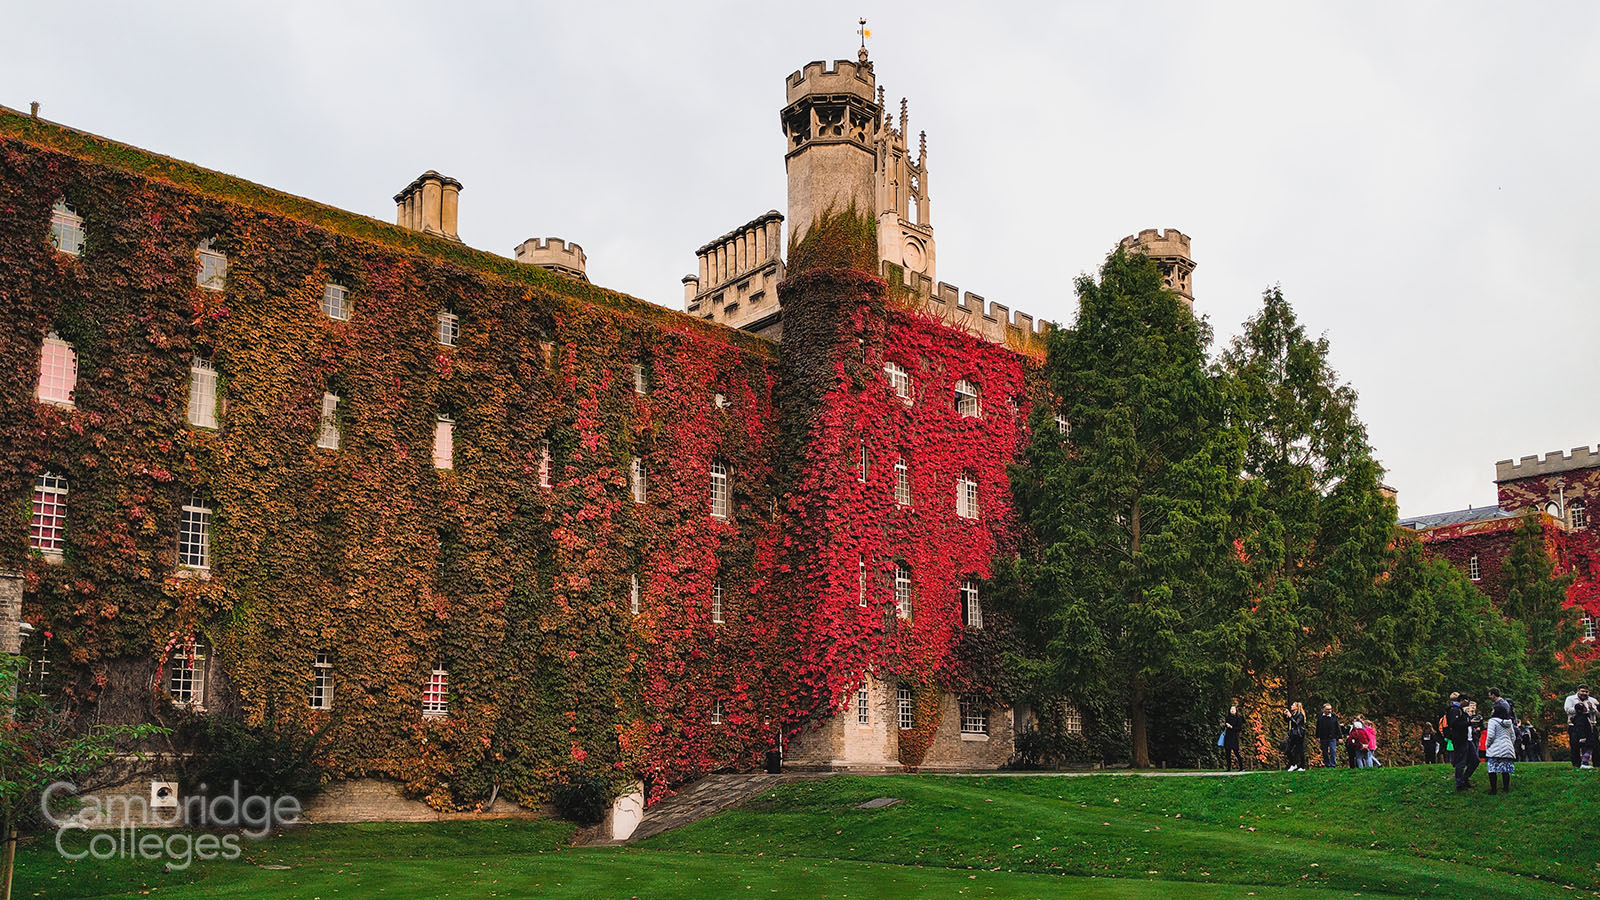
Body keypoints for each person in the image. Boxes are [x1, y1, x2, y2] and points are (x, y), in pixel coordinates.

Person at [1444, 692, 1477, 791]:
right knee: (1461, 761)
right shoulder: (1454, 710)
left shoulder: (1461, 711)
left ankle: (1464, 778)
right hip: (1459, 739)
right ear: (1462, 701)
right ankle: (1459, 783)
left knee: (1475, 760)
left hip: (1466, 738)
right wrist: (1468, 723)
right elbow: (1455, 724)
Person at [1485, 703, 1517, 794]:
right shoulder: (1509, 722)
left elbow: (1490, 736)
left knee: (1492, 769)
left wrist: (1487, 745)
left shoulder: (1492, 721)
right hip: (1507, 748)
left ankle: (1493, 790)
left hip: (1495, 747)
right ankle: (1506, 788)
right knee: (1505, 769)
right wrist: (1510, 745)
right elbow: (1513, 736)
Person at [1565, 685, 1597, 769]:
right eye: (1582, 691)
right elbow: (1567, 710)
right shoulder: (1570, 699)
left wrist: (1592, 709)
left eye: (1586, 692)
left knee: (1593, 744)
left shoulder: (1592, 700)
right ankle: (1576, 764)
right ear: (1578, 691)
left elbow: (1597, 712)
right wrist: (1578, 708)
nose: (1584, 693)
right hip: (1575, 725)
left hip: (1591, 725)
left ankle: (1595, 764)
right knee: (1575, 745)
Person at [1283, 702, 1308, 771]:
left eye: (1293, 705)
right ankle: (1293, 764)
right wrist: (1285, 715)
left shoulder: (1300, 715)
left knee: (1300, 750)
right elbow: (1287, 721)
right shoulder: (1293, 714)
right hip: (1292, 734)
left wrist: (1290, 716)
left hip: (1298, 734)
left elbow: (1296, 723)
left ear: (1297, 707)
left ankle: (1302, 766)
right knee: (1288, 750)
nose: (1291, 706)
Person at [1222, 704, 1247, 772]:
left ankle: (1241, 767)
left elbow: (1239, 728)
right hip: (1228, 736)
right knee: (1227, 753)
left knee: (1236, 752)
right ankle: (1228, 768)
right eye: (1231, 709)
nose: (1232, 711)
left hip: (1234, 737)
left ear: (1236, 711)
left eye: (1233, 709)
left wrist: (1231, 727)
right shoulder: (1227, 718)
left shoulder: (1238, 718)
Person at [1315, 703, 1340, 768]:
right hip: (1323, 737)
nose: (1329, 711)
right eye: (1327, 709)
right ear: (1323, 709)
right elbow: (1318, 727)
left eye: (1330, 709)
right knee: (1324, 752)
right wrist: (1317, 736)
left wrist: (1339, 737)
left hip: (1332, 737)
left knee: (1333, 751)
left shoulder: (1334, 716)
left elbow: (1337, 727)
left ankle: (1332, 765)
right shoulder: (1320, 717)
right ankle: (1327, 764)